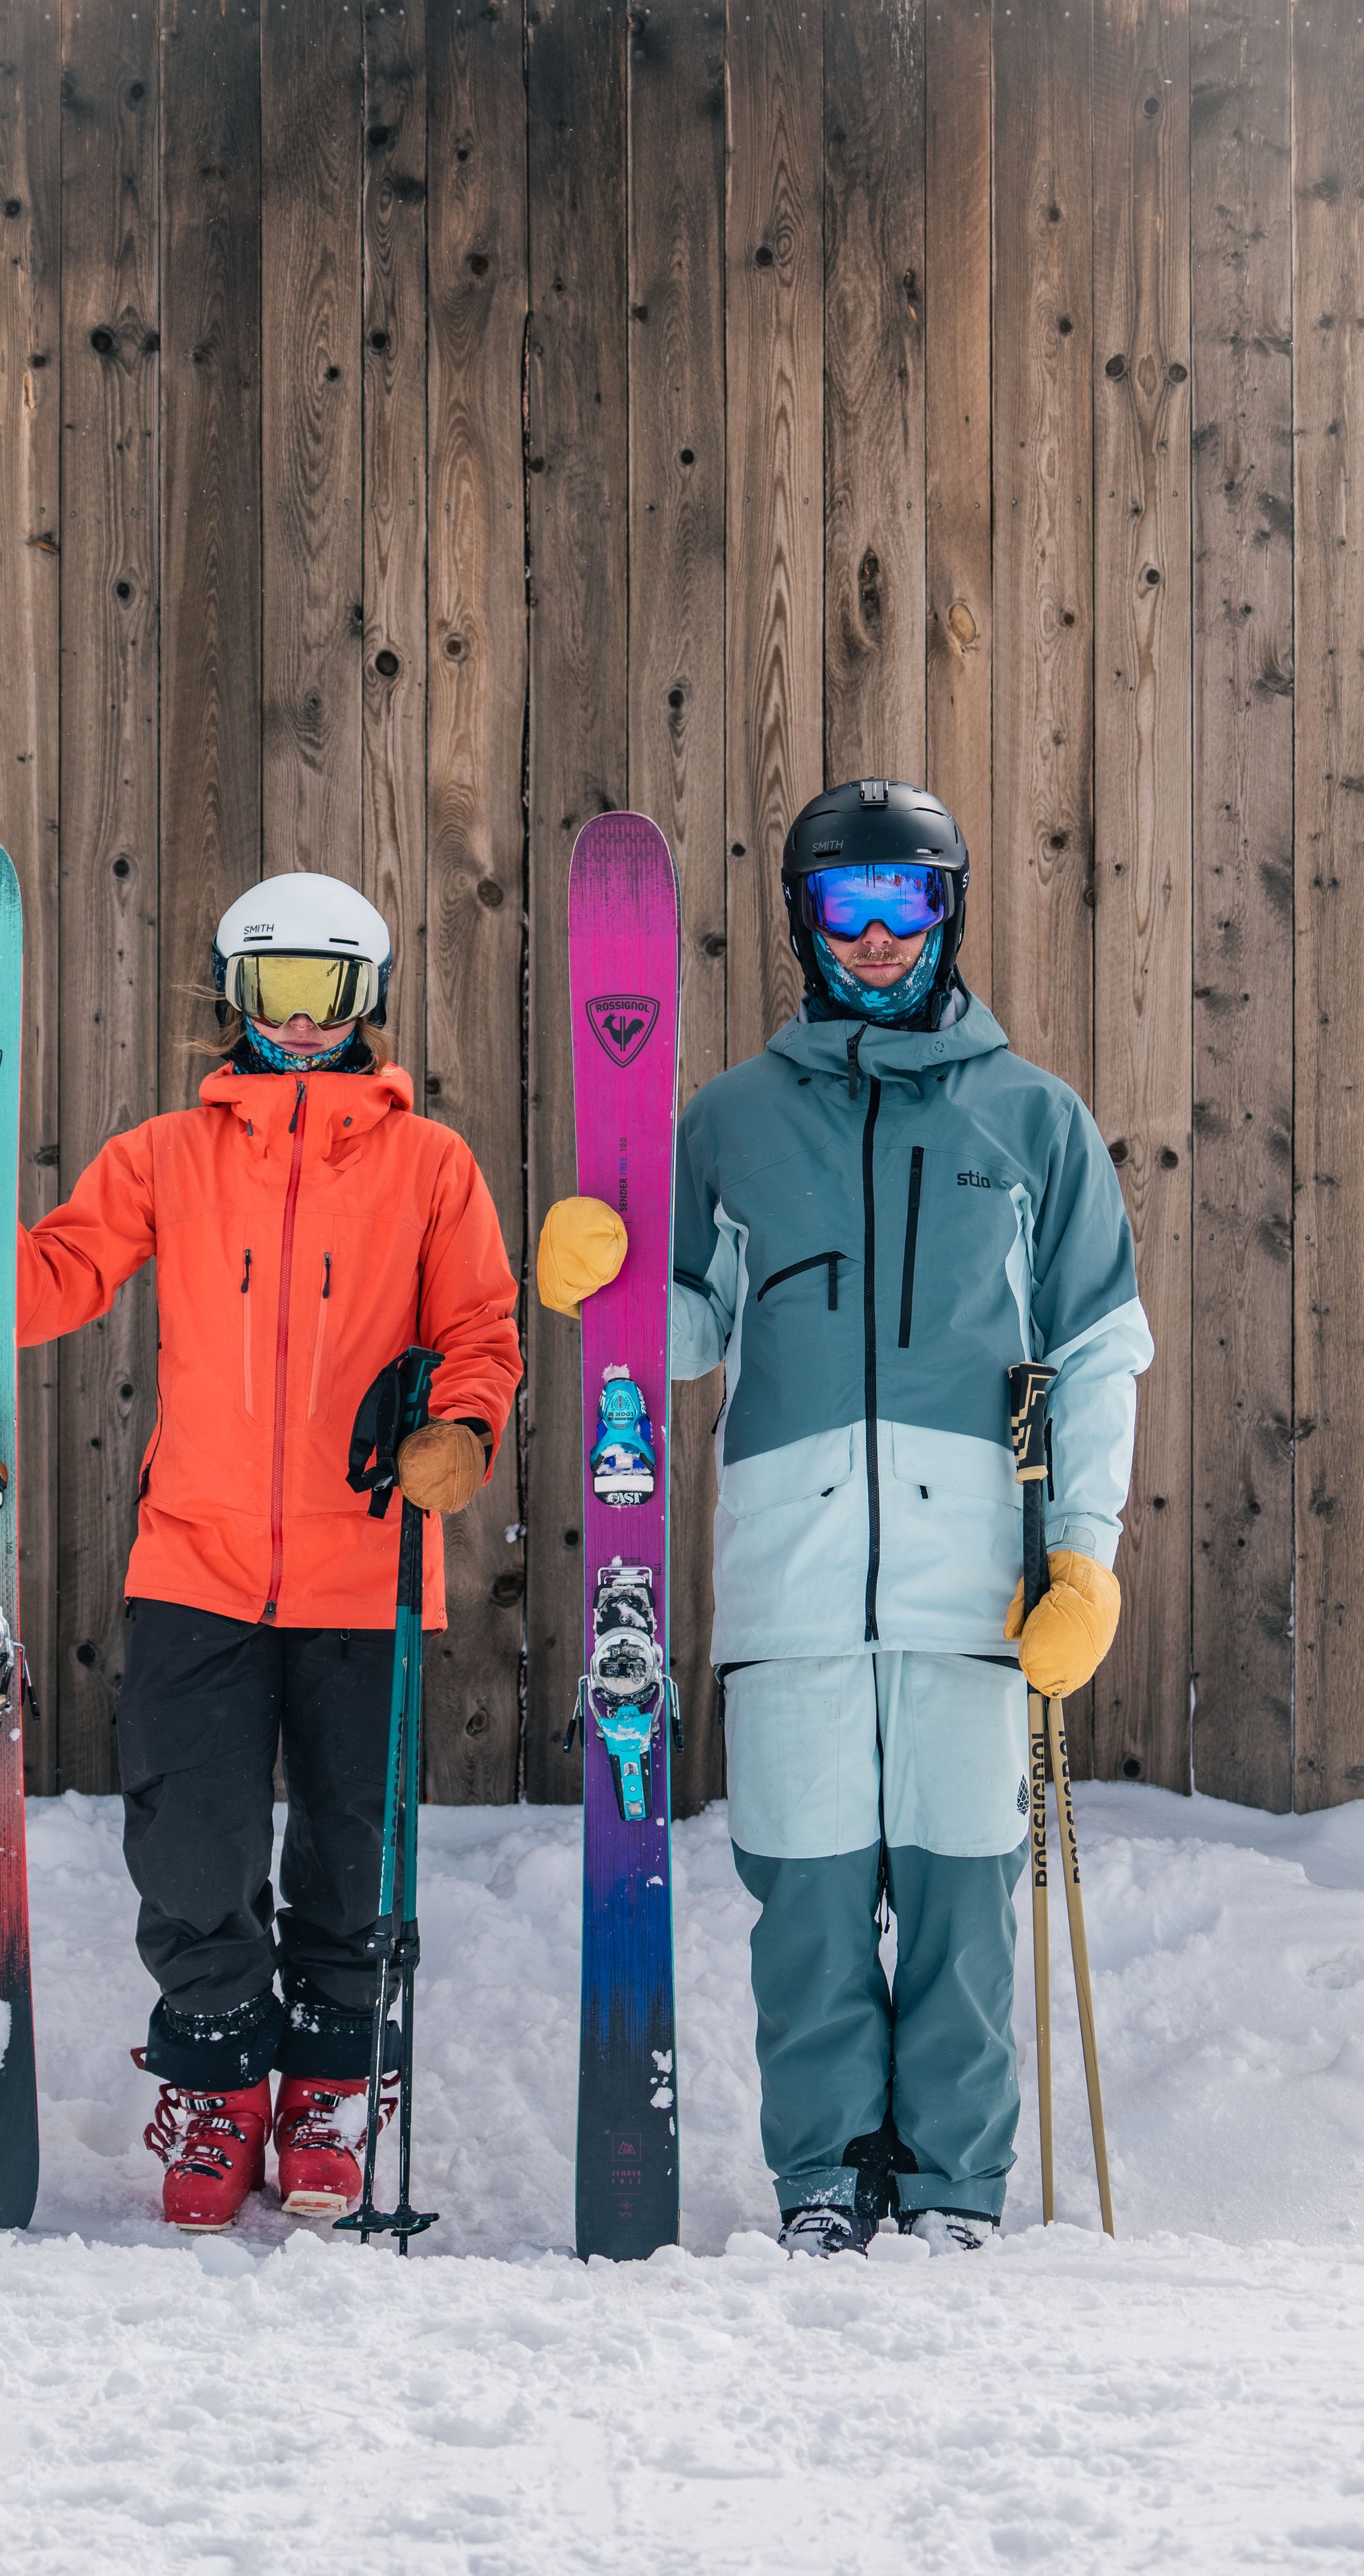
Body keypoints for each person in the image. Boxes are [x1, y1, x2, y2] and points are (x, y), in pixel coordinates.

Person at [537, 778, 1151, 2255]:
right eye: (843, 910)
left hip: (974, 1594)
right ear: (803, 925)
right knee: (803, 1909)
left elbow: (1095, 1354)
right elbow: (679, 1336)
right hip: (793, 1583)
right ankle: (821, 2179)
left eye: (902, 906)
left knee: (955, 1908)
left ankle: (947, 2186)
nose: (874, 939)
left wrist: (1081, 1558)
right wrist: (598, 1280)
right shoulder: (731, 1121)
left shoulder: (1034, 1124)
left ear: (943, 914)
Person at [0, 873, 522, 2230]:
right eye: (273, 991)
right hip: (197, 1566)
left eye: (325, 993)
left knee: (356, 1853)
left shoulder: (429, 1165)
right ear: (233, 997)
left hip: (365, 1570)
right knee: (191, 1847)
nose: (297, 1020)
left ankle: (332, 2093)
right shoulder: (169, 1153)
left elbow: (477, 1330)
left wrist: (459, 1429)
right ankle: (217, 2088)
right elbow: (46, 1285)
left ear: (370, 1002)